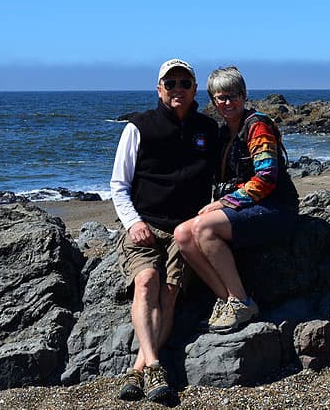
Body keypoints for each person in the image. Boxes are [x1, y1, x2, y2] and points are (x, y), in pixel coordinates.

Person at [110, 59, 219, 403]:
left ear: (194, 90)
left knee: (169, 292)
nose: (177, 90)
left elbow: (223, 177)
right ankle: (155, 364)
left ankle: (139, 370)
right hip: (145, 226)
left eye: (184, 84)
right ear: (159, 89)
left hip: (185, 231)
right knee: (146, 283)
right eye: (170, 84)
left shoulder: (208, 129)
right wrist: (133, 223)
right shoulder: (138, 127)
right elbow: (118, 184)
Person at [174, 66, 299, 335]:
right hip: (247, 207)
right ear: (213, 101)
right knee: (183, 234)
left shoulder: (258, 126)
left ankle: (242, 301)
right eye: (220, 98)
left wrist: (222, 204)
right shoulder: (223, 134)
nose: (227, 103)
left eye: (233, 96)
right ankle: (228, 299)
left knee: (204, 228)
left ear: (243, 95)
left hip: (275, 207)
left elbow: (266, 177)